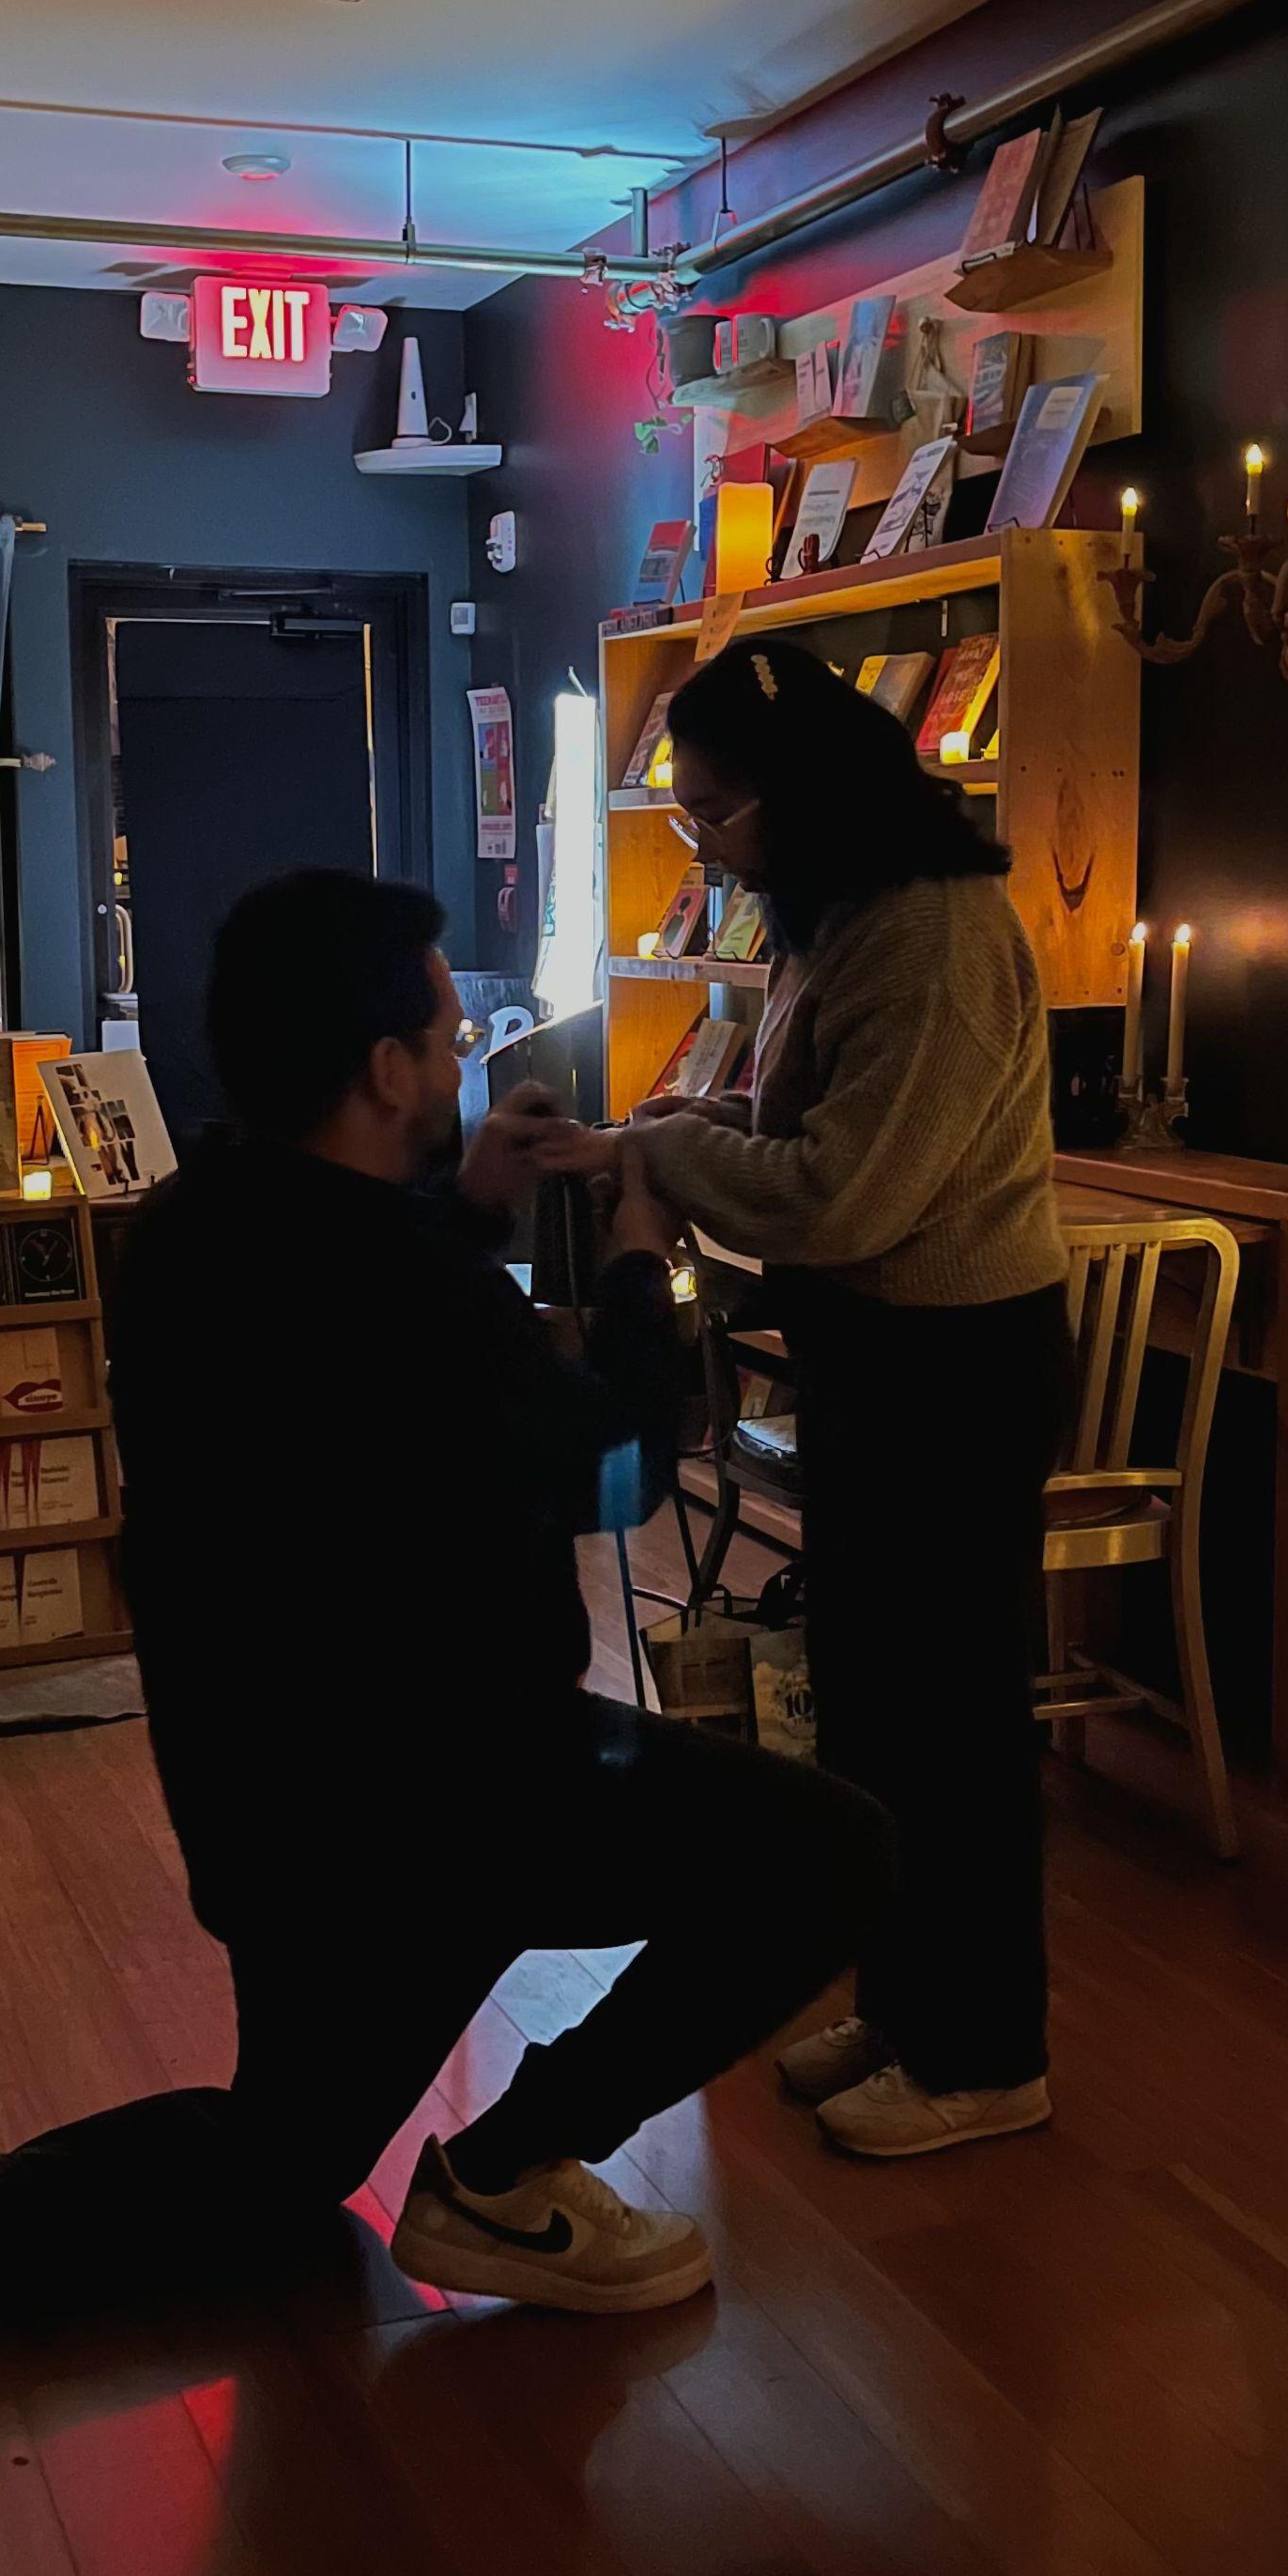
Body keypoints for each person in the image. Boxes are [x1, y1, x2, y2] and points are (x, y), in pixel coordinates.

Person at [0, 868, 893, 2454]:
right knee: (836, 1853)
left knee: (284, 2164)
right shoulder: (412, 1297)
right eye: (445, 1031)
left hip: (272, 1817)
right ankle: (512, 2175)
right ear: (387, 1069)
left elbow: (365, 1346)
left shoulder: (195, 1230)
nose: (463, 1051)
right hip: (463, 1804)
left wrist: (469, 1206)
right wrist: (639, 1262)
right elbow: (614, 1460)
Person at [540, 638, 1072, 2163]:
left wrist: (662, 1151)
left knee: (953, 1723)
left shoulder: (929, 935)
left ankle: (987, 2054)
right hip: (887, 1354)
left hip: (954, 1366)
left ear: (804, 791)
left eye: (716, 808)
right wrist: (671, 1125)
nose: (702, 838)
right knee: (879, 1705)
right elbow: (799, 1117)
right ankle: (908, 2008)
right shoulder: (841, 911)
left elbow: (845, 1193)